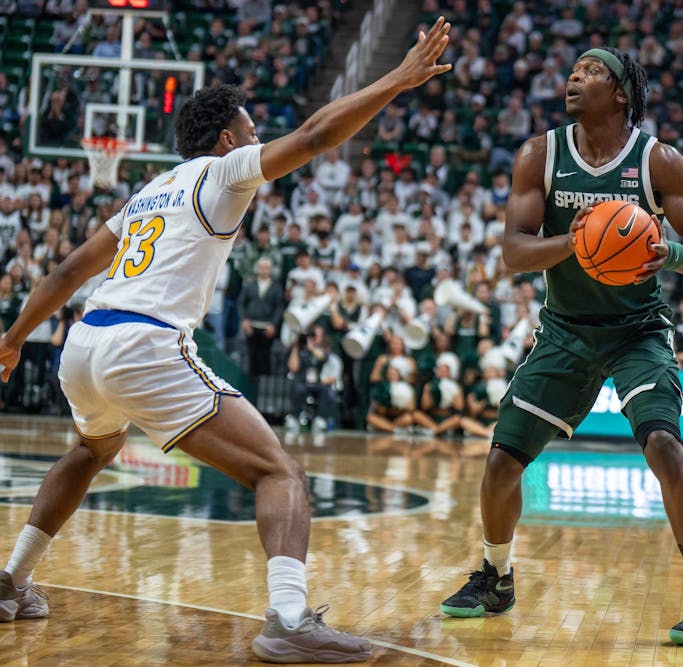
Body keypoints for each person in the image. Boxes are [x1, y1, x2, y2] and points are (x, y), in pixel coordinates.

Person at [0, 18, 453, 663]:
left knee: (91, 450)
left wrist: (14, 338)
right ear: (226, 138)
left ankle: (12, 580)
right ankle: (290, 619)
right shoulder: (223, 172)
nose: (257, 139)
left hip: (84, 341)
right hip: (144, 344)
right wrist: (398, 79)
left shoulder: (149, 193)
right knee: (279, 471)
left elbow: (72, 270)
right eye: (250, 129)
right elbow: (318, 134)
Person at [439, 47, 683, 647]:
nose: (575, 77)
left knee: (665, 447)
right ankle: (496, 576)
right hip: (564, 330)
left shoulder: (659, 162)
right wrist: (576, 243)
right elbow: (515, 252)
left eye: (592, 72)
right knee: (499, 465)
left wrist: (668, 253)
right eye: (572, 70)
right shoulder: (540, 155)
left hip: (637, 331)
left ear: (622, 93)